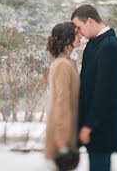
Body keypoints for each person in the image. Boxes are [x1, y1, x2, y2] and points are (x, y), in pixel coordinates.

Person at [71, 4, 117, 171]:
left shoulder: (109, 46)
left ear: (90, 21)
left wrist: (89, 125)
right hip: (92, 127)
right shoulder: (94, 44)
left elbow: (105, 92)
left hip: (100, 127)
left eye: (79, 27)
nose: (78, 32)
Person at [44, 21, 81, 170]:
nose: (80, 36)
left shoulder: (66, 63)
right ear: (67, 39)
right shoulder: (62, 65)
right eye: (76, 33)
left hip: (66, 129)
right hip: (61, 132)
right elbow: (62, 100)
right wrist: (61, 136)